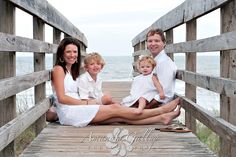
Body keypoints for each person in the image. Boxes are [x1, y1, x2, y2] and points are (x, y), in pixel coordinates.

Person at [49, 36, 181, 127]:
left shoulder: (72, 71)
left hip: (79, 107)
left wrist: (88, 102)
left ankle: (162, 118)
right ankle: (161, 111)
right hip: (71, 111)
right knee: (115, 108)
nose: (72, 55)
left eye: (75, 52)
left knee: (120, 118)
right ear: (61, 53)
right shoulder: (58, 69)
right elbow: (62, 98)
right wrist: (88, 103)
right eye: (68, 52)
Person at [146, 28, 177, 107]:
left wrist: (146, 106)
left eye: (157, 41)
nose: (153, 44)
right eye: (150, 41)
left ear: (164, 43)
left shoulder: (164, 63)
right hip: (149, 100)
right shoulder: (153, 60)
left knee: (116, 110)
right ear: (146, 44)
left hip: (159, 106)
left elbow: (166, 94)